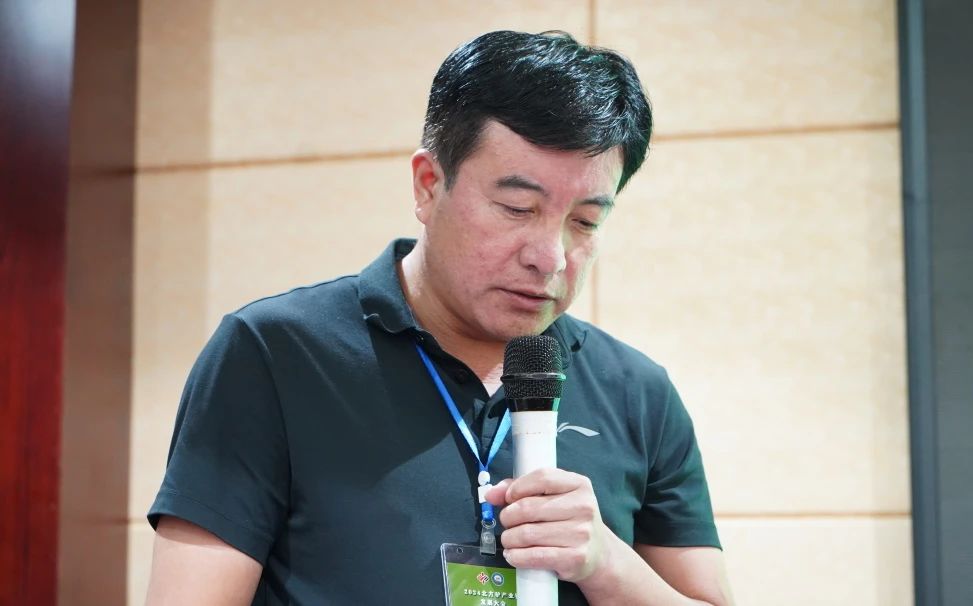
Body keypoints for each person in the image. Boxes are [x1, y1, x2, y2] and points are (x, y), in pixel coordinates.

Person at [145, 30, 734, 605]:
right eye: (517, 208)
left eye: (584, 222)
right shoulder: (275, 354)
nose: (550, 257)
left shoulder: (638, 393)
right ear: (428, 185)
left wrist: (608, 566)